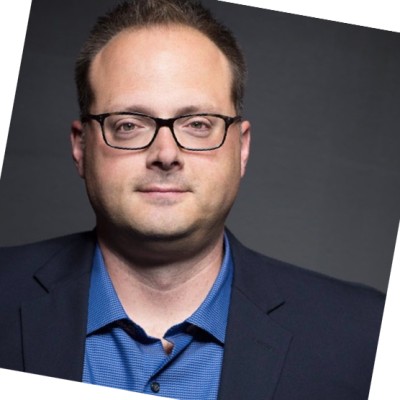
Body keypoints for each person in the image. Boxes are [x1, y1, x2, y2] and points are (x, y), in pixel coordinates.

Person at [0, 0, 384, 399]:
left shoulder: (367, 336)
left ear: (242, 149)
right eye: (129, 125)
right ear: (81, 147)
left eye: (198, 124)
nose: (166, 154)